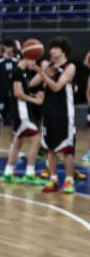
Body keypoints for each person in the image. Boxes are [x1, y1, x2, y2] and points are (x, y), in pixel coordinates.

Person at [36, 36, 77, 193]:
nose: (51, 50)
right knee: (50, 147)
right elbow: (33, 83)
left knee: (67, 148)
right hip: (49, 111)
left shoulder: (70, 67)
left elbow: (57, 87)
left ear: (63, 50)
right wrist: (40, 69)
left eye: (55, 48)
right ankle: (53, 180)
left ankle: (69, 181)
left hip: (65, 113)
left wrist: (43, 73)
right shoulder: (48, 66)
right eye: (51, 48)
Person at [0, 54, 44, 184]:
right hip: (22, 113)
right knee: (36, 140)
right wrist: (35, 101)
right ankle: (30, 174)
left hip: (21, 112)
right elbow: (18, 93)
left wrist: (33, 95)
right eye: (33, 60)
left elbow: (22, 92)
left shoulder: (22, 72)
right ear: (27, 58)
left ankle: (8, 172)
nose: (34, 63)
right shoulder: (18, 72)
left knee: (17, 143)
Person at [0, 38, 20, 160]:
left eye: (11, 46)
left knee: (15, 122)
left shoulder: (17, 59)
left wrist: (19, 48)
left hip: (14, 95)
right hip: (1, 94)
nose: (9, 49)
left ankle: (14, 147)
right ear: (3, 47)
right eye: (7, 46)